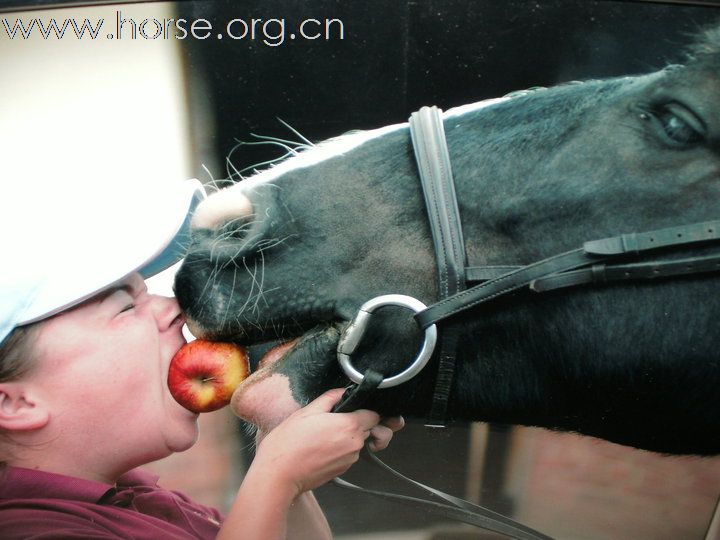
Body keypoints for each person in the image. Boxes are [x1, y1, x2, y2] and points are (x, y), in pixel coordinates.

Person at [0, 178, 403, 539]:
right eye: (124, 306)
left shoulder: (148, 502)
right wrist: (277, 477)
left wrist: (279, 455)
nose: (172, 305)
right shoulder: (28, 530)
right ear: (14, 403)